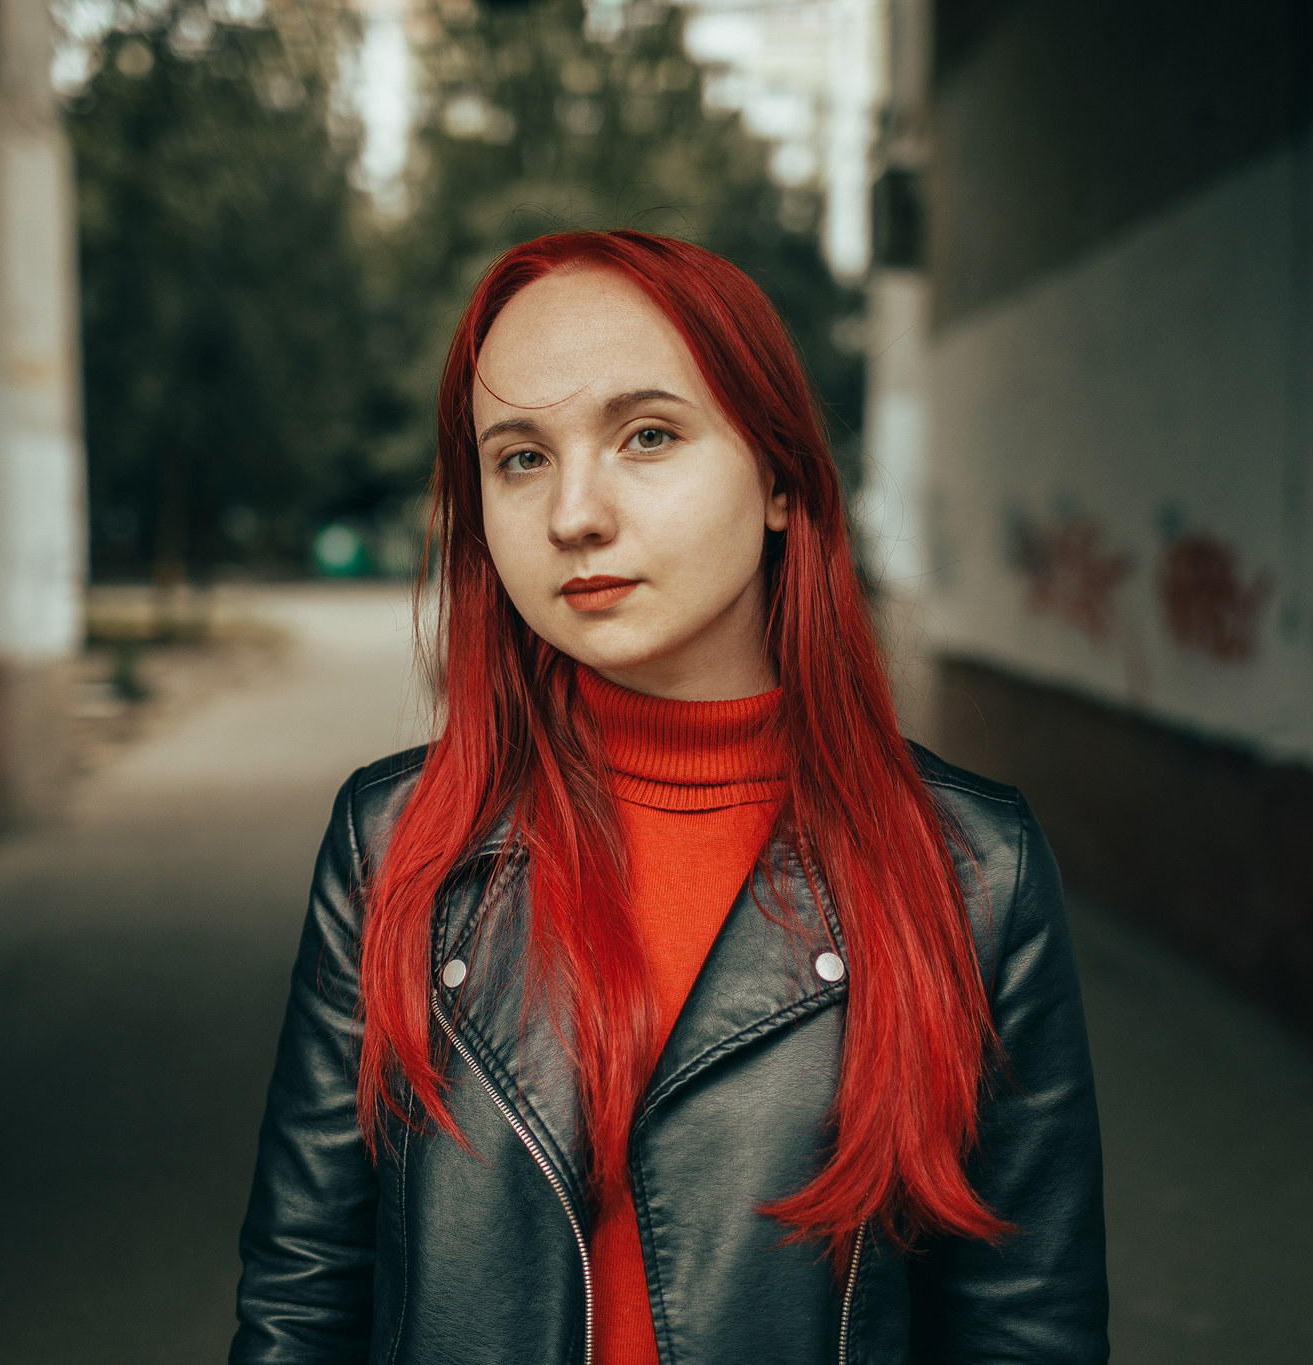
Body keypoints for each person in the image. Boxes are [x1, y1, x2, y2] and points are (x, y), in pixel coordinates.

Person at [230, 230, 1107, 1364]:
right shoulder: (392, 844)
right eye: (518, 458)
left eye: (646, 435)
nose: (573, 515)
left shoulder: (973, 871)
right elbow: (302, 1295)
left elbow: (1022, 1331)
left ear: (782, 477)